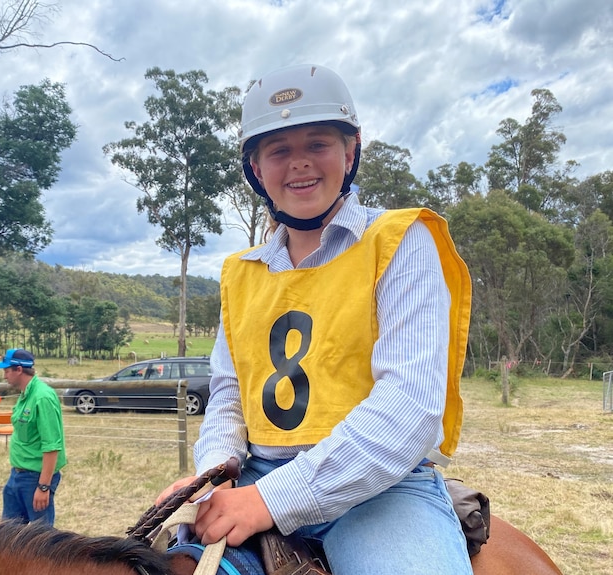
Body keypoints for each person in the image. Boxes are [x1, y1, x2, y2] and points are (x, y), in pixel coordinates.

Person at [157, 64, 473, 574]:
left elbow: (410, 402)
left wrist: (271, 501)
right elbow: (229, 394)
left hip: (380, 490)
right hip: (255, 475)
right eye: (279, 150)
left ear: (350, 152)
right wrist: (217, 475)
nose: (299, 163)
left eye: (318, 144)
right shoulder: (241, 274)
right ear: (257, 170)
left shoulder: (399, 241)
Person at [0, 348, 67, 525]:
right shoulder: (26, 395)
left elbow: (51, 445)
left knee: (39, 541)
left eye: (6, 370)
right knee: (8, 535)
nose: (5, 376)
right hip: (17, 475)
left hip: (34, 478)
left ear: (19, 370)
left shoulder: (42, 397)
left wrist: (43, 487)